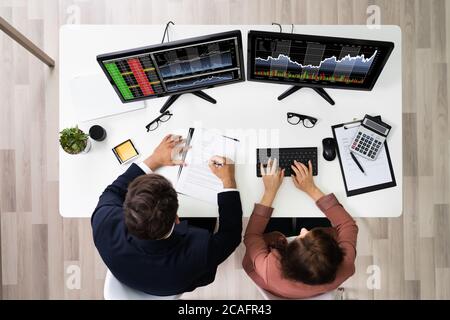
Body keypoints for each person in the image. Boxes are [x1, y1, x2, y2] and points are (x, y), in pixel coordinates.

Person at [92, 134, 242, 296]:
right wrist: (229, 181)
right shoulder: (200, 252)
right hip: (175, 278)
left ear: (127, 207)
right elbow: (231, 235)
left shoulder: (104, 223)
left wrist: (155, 159)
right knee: (206, 218)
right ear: (177, 218)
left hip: (135, 274)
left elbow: (112, 191)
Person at [243, 158, 358, 299]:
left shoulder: (270, 268)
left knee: (281, 214)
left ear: (286, 257)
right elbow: (347, 225)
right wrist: (311, 189)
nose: (304, 230)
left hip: (268, 257)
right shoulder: (345, 267)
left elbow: (252, 235)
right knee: (309, 215)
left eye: (302, 237)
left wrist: (269, 191)